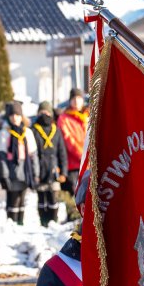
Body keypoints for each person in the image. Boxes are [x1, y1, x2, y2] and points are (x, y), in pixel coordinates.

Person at [0, 101, 38, 224]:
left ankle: (20, 223)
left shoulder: (27, 132)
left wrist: (36, 173)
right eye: (12, 115)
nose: (15, 118)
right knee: (13, 198)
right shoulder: (4, 133)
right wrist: (4, 175)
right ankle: (12, 223)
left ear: (21, 116)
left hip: (25, 169)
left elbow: (33, 154)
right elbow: (2, 156)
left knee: (22, 198)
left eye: (17, 115)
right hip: (11, 170)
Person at [32, 101, 67, 226]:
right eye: (41, 112)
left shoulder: (56, 130)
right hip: (40, 169)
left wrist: (64, 171)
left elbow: (62, 153)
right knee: (41, 198)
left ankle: (54, 220)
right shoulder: (34, 130)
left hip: (54, 169)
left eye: (46, 112)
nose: (44, 115)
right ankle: (43, 222)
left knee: (53, 197)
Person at [57, 87, 89, 220]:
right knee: (74, 193)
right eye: (74, 99)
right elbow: (68, 140)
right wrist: (84, 156)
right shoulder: (64, 118)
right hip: (74, 164)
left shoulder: (88, 116)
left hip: (88, 164)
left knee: (87, 195)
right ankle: (73, 219)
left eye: (79, 98)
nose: (76, 101)